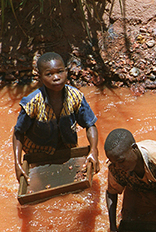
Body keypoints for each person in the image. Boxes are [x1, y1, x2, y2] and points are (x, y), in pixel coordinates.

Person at [12, 52, 99, 184]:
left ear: (66, 72)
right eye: (49, 74)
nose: (56, 77)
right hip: (38, 153)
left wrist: (93, 150)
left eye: (60, 71)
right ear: (40, 77)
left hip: (66, 149)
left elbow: (90, 125)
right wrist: (17, 164)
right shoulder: (32, 103)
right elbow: (18, 133)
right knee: (42, 186)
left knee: (72, 186)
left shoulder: (75, 97)